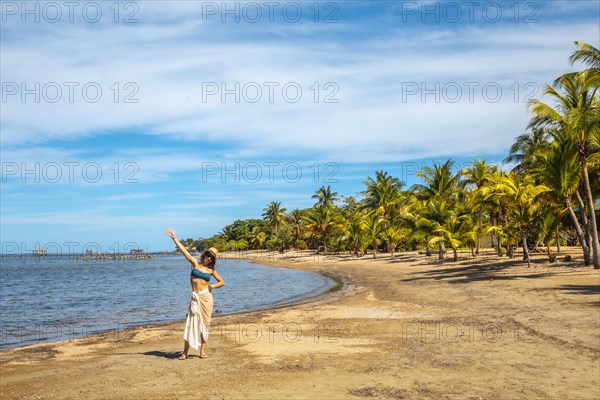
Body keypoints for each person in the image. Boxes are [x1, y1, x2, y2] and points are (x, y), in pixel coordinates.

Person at [165, 228, 224, 359]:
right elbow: (184, 252)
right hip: (195, 298)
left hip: (206, 298)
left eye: (211, 257)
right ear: (204, 254)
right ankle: (185, 352)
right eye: (208, 255)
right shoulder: (195, 263)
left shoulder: (211, 270)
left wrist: (212, 286)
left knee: (204, 324)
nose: (208, 258)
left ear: (212, 260)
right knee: (190, 322)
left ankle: (202, 351)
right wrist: (174, 238)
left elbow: (222, 282)